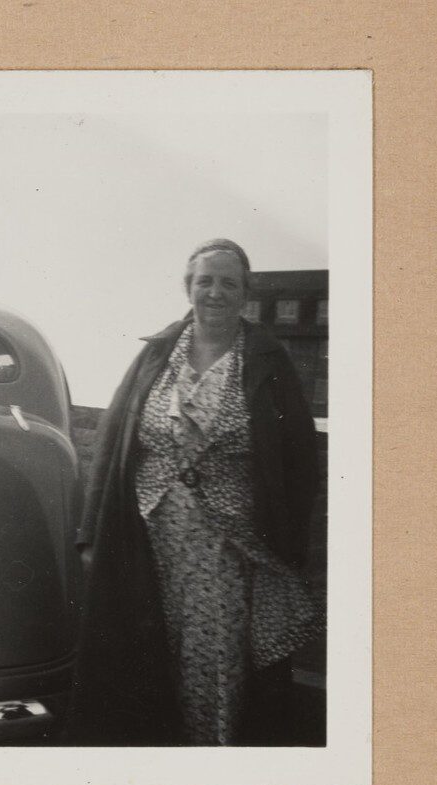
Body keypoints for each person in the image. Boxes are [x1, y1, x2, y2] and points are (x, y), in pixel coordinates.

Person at [67, 239, 322, 746]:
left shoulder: (268, 360)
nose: (216, 291)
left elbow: (297, 457)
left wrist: (288, 539)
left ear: (246, 292)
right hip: (147, 536)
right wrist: (92, 532)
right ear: (188, 287)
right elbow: (115, 440)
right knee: (146, 648)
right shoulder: (157, 354)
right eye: (205, 280)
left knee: (214, 652)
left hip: (228, 544)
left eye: (229, 282)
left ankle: (213, 753)